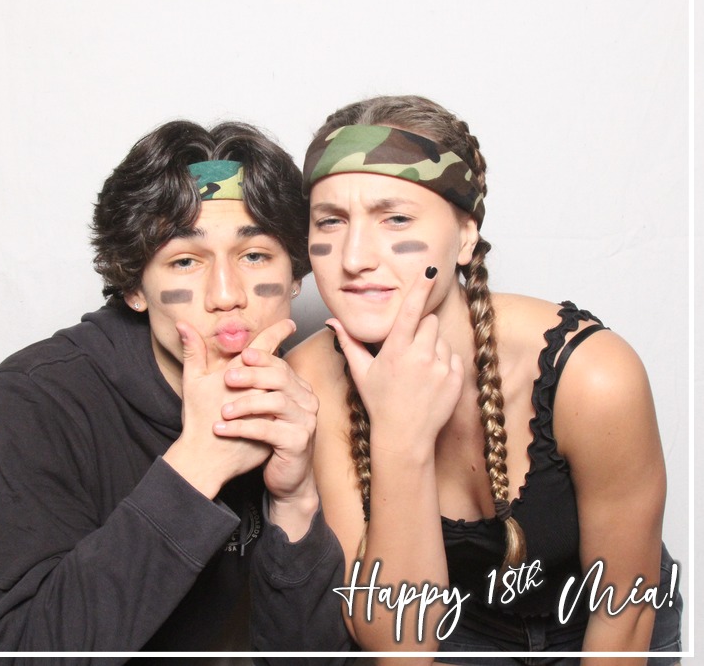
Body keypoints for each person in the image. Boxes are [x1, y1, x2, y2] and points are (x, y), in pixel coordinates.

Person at [288, 95, 682, 664]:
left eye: (395, 218)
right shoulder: (313, 378)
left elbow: (624, 615)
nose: (354, 257)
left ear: (466, 236)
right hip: (451, 630)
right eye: (331, 220)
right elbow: (396, 646)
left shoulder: (591, 377)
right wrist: (400, 438)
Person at [0, 119, 351, 662]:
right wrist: (197, 466)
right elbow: (17, 653)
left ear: (294, 275)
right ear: (133, 285)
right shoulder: (38, 398)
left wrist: (295, 502)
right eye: (185, 261)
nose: (226, 294)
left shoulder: (304, 397)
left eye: (254, 255)